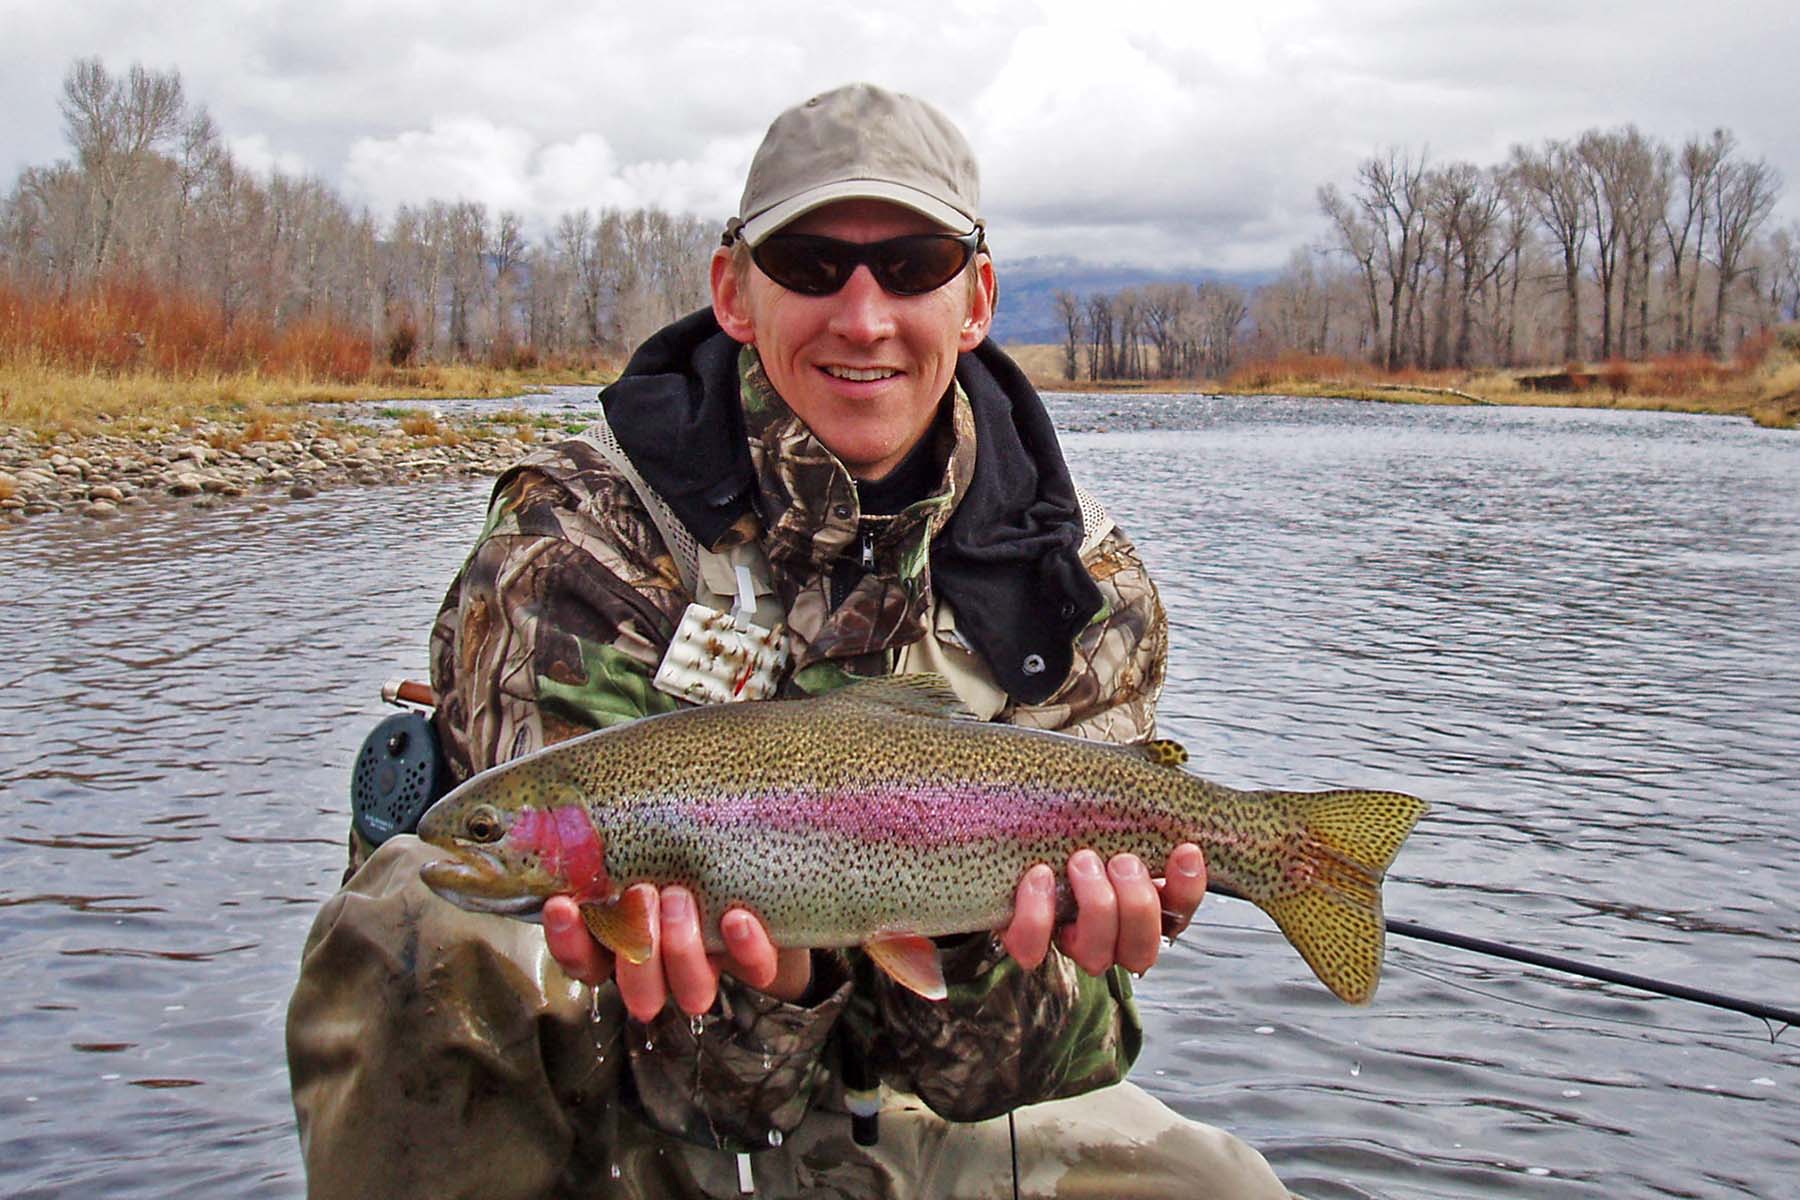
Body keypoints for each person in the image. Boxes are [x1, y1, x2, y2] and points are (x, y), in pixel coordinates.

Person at [286, 83, 1289, 1198]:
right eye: (811, 264)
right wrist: (778, 980)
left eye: (912, 265)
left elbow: (1053, 1063)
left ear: (975, 300)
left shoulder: (1080, 584)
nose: (862, 316)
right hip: (617, 1112)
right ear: (733, 289)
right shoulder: (577, 535)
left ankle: (1287, 854)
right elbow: (604, 1014)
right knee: (418, 915)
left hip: (929, 1110)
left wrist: (982, 938)